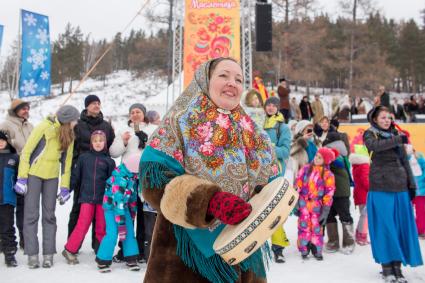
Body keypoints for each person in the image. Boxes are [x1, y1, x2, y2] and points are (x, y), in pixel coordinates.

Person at [139, 58, 278, 283]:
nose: (232, 83)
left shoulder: (255, 133)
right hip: (185, 257)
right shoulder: (179, 122)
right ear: (205, 79)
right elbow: (154, 182)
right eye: (223, 75)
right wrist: (209, 202)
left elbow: (272, 181)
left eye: (239, 79)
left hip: (245, 251)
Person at [14, 105, 80, 269]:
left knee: (49, 216)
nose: (76, 122)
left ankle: (48, 254)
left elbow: (67, 163)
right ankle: (32, 254)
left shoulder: (70, 135)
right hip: (33, 174)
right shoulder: (44, 126)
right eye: (74, 120)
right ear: (67, 120)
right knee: (31, 215)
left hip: (51, 177)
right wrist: (22, 178)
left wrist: (64, 187)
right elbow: (27, 152)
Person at [363, 106, 423, 282]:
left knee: (398, 228)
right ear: (374, 119)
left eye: (389, 117)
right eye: (383, 117)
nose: (387, 120)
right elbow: (374, 146)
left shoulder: (395, 135)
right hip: (381, 187)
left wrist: (412, 185)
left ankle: (397, 267)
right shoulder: (370, 134)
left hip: (400, 186)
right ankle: (387, 267)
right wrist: (397, 139)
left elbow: (405, 161)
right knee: (385, 228)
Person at [68, 94, 115, 251]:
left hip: (101, 170)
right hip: (82, 169)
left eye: (98, 102)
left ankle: (98, 246)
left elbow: (111, 146)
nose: (96, 105)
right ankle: (73, 244)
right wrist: (74, 166)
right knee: (78, 210)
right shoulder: (78, 125)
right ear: (87, 106)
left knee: (100, 212)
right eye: (93, 103)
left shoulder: (106, 126)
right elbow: (71, 148)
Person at [62, 131, 115, 264]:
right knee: (82, 223)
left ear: (105, 143)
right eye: (95, 140)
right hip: (86, 198)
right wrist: (67, 190)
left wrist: (113, 197)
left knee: (102, 226)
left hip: (103, 199)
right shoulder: (83, 158)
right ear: (91, 143)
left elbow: (112, 181)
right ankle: (69, 249)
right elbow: (76, 176)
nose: (98, 143)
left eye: (100, 140)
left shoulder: (109, 161)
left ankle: (101, 252)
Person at [109, 103, 153, 263]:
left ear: (144, 114)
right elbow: (113, 153)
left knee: (143, 214)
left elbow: (157, 151)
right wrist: (124, 142)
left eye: (138, 111)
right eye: (132, 112)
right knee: (126, 214)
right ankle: (124, 250)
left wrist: (146, 140)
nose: (135, 114)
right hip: (127, 179)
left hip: (145, 177)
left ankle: (141, 250)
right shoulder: (123, 130)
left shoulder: (152, 129)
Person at [95, 155, 140, 273]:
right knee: (113, 233)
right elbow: (117, 200)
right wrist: (121, 225)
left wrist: (132, 212)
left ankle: (131, 258)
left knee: (129, 231)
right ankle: (102, 260)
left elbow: (132, 196)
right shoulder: (120, 178)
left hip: (123, 207)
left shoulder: (132, 176)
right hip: (111, 207)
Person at [0, 99, 34, 250]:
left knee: (24, 205)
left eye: (27, 108)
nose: (26, 110)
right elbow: (3, 144)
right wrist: (14, 142)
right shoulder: (6, 125)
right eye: (23, 108)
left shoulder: (30, 126)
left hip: (27, 170)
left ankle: (24, 238)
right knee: (6, 206)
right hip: (10, 168)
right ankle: (4, 239)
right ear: (15, 110)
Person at [263, 96, 291, 263]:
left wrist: (268, 148)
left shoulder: (283, 127)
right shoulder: (258, 124)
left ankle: (278, 247)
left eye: (274, 105)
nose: (271, 107)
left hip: (274, 173)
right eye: (268, 105)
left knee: (274, 211)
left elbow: (285, 152)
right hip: (256, 173)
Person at [296, 147, 337, 260]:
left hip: (317, 205)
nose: (316, 158)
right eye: (316, 156)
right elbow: (297, 184)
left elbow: (329, 193)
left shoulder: (328, 175)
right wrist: (295, 202)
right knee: (303, 226)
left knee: (317, 227)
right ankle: (304, 248)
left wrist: (326, 210)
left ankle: (316, 249)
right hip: (303, 202)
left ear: (326, 161)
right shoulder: (305, 169)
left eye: (320, 158)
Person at [322, 132, 355, 254]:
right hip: (333, 190)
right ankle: (333, 241)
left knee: (343, 215)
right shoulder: (340, 151)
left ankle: (348, 242)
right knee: (330, 215)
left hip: (339, 190)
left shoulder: (334, 152)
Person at [0, 130, 19, 267]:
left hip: (8, 199)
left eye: (2, 140)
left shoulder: (14, 157)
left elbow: (20, 177)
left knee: (7, 227)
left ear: (7, 141)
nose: (0, 143)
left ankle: (10, 253)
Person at [349, 145, 370, 246]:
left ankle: (359, 234)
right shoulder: (365, 165)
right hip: (365, 194)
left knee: (364, 215)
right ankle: (361, 236)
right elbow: (365, 181)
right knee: (365, 216)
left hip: (359, 194)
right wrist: (373, 188)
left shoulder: (356, 165)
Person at [412, 150, 425, 238]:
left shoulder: (419, 164)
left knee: (421, 212)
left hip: (419, 194)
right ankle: (419, 230)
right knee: (420, 212)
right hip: (417, 194)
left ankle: (420, 230)